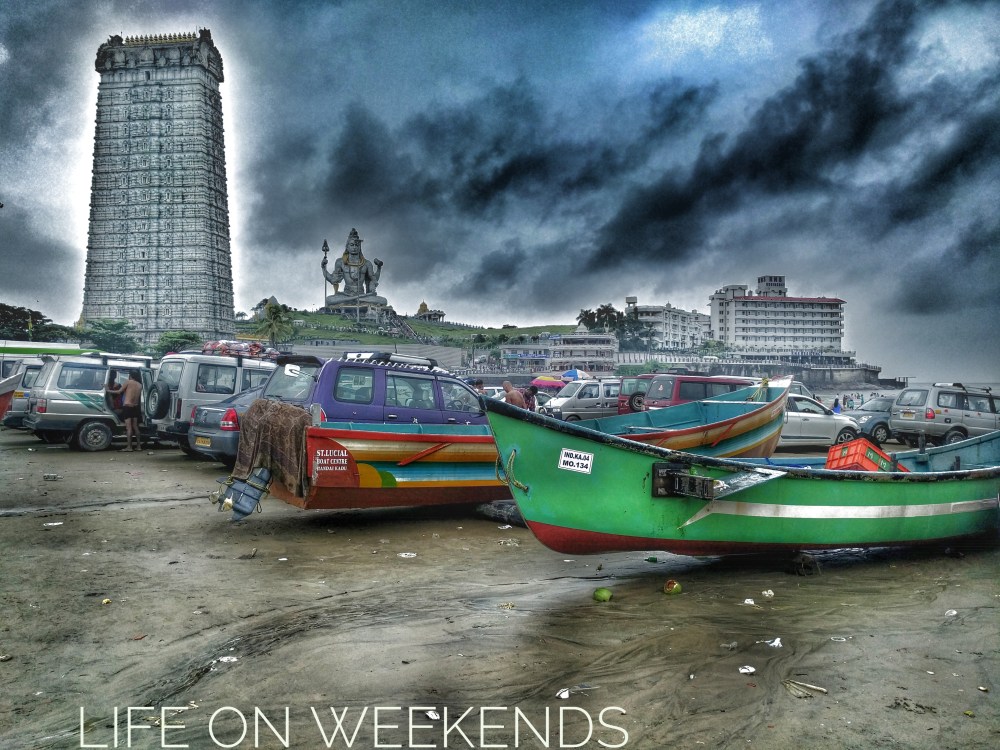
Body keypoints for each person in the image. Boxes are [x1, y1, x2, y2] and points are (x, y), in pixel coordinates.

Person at [321, 228, 386, 306]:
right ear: (347, 247)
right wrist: (323, 268)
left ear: (359, 247)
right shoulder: (340, 262)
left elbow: (373, 280)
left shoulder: (367, 263)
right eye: (352, 245)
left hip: (362, 295)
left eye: (357, 245)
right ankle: (355, 300)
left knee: (383, 301)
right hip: (346, 295)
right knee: (329, 299)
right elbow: (333, 280)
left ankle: (354, 300)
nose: (354, 247)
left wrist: (379, 268)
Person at [108, 369, 143, 451]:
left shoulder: (128, 382)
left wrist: (107, 390)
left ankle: (129, 447)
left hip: (127, 407)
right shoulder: (140, 385)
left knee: (129, 428)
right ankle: (139, 446)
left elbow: (119, 392)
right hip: (135, 407)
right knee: (135, 426)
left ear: (130, 375)